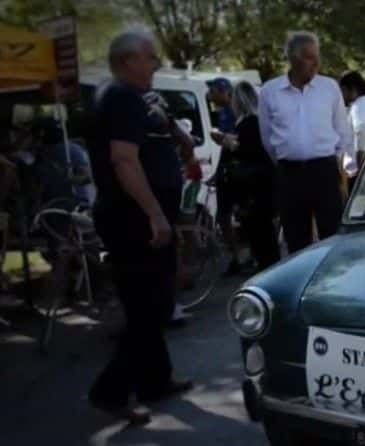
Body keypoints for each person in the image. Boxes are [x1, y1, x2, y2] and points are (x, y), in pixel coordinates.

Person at [88, 30, 194, 425]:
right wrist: (155, 213)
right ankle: (110, 392)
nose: (156, 64)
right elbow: (124, 161)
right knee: (149, 305)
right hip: (132, 219)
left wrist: (177, 135)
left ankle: (155, 380)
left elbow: (163, 136)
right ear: (128, 61)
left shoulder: (138, 98)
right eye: (150, 57)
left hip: (141, 216)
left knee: (154, 302)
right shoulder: (118, 98)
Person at [258, 31, 354, 254]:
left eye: (317, 56)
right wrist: (289, 157)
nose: (316, 63)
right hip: (290, 174)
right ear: (293, 58)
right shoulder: (270, 92)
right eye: (310, 57)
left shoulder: (329, 88)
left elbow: (342, 131)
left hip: (324, 170)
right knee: (296, 240)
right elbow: (267, 138)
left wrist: (333, 162)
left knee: (333, 236)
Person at [230, 81, 280, 270]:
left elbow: (245, 152)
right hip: (264, 185)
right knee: (266, 234)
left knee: (260, 234)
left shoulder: (248, 124)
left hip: (253, 188)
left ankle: (267, 269)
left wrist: (229, 143)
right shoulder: (260, 122)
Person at [207, 77, 244, 276]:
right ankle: (235, 257)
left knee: (240, 215)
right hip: (226, 170)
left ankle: (245, 256)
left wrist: (221, 138)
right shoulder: (221, 113)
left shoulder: (235, 112)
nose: (210, 96)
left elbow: (235, 144)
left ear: (223, 92)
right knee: (223, 216)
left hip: (238, 172)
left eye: (213, 92)